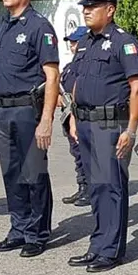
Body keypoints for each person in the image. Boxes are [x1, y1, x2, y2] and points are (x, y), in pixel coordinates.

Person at [66, 0, 138, 273]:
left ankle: (111, 251)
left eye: (93, 7)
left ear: (109, 10)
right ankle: (97, 244)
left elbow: (137, 88)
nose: (86, 11)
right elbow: (76, 81)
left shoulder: (124, 42)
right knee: (96, 188)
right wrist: (73, 117)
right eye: (85, 7)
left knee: (111, 187)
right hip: (85, 123)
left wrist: (131, 130)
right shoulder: (86, 42)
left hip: (111, 124)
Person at [0, 0, 59, 258]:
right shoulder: (2, 25)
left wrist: (46, 120)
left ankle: (37, 233)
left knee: (33, 173)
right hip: (2, 112)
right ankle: (18, 229)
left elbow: (52, 76)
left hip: (27, 111)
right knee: (11, 173)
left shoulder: (40, 27)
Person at [60, 26, 90, 207]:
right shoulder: (70, 66)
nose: (72, 45)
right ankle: (82, 186)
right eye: (71, 42)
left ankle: (90, 189)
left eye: (75, 41)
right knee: (76, 153)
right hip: (67, 114)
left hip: (80, 115)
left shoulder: (87, 65)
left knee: (84, 154)